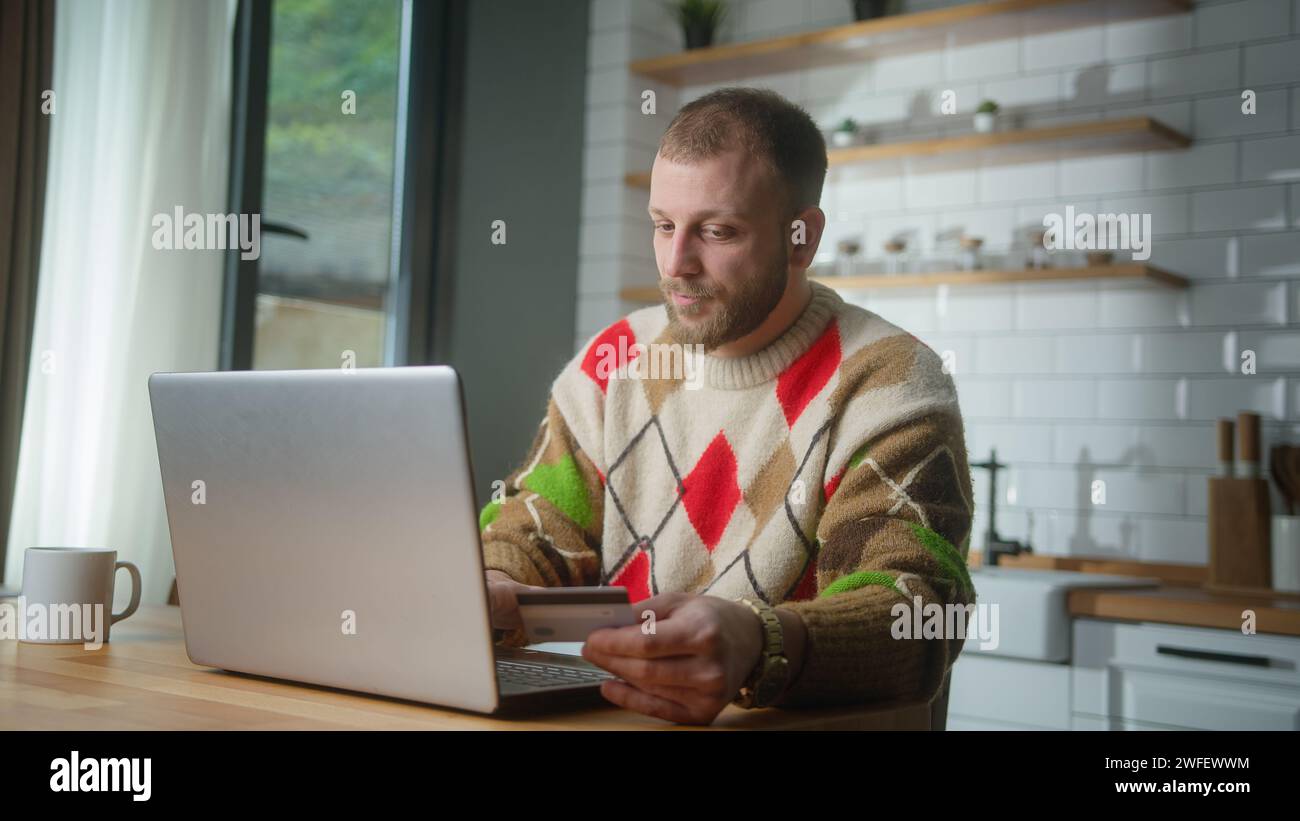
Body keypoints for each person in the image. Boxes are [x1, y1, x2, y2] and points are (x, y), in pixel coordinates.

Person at [479, 87, 975, 725]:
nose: (677, 264)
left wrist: (761, 644)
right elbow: (534, 528)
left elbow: (919, 611)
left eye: (717, 231)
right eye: (663, 225)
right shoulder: (616, 361)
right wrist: (494, 585)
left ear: (802, 237)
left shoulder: (889, 381)